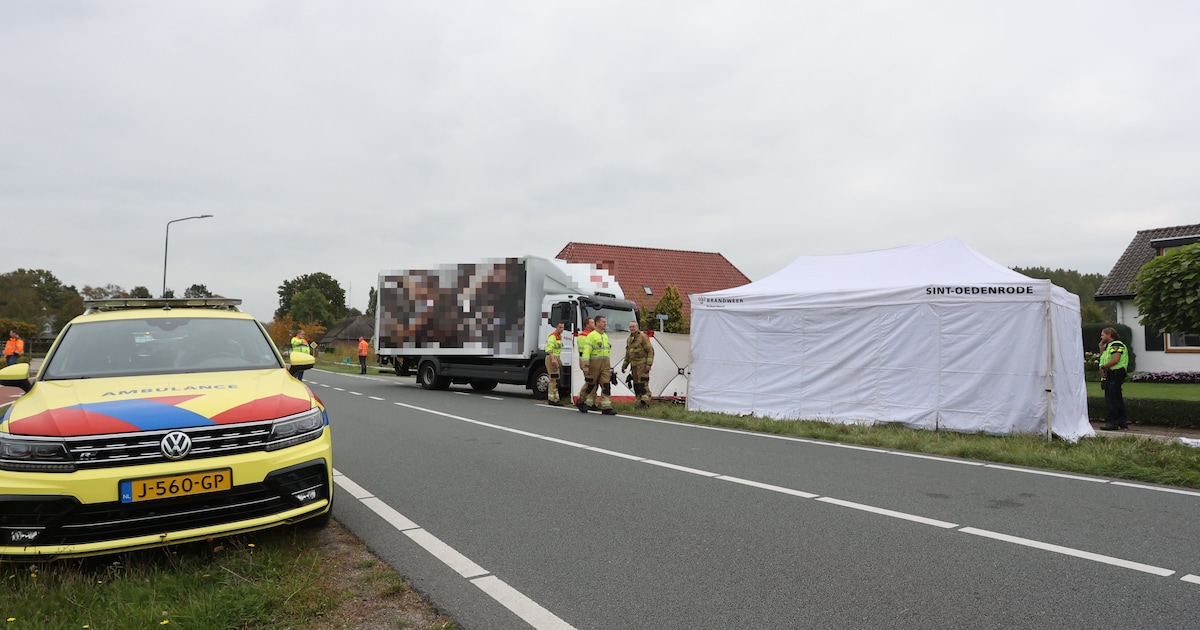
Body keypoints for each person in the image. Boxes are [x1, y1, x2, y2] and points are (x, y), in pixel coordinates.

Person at [577, 316, 616, 415]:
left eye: (605, 322)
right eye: (603, 322)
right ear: (597, 323)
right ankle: (580, 401)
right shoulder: (591, 336)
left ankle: (606, 407)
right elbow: (586, 351)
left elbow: (607, 352)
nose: (605, 324)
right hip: (594, 365)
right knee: (590, 385)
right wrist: (586, 365)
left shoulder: (605, 336)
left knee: (606, 385)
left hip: (605, 365)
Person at [1098, 327, 1129, 430]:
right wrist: (1101, 347)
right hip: (1113, 374)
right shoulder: (1109, 346)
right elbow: (1104, 358)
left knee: (1111, 399)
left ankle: (1113, 422)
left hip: (1115, 373)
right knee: (1117, 398)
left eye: (1103, 334)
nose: (1101, 336)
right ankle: (1122, 422)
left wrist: (1103, 367)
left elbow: (1116, 359)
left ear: (1109, 334)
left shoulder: (1116, 345)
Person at [621, 320, 654, 408]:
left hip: (642, 365)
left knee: (643, 384)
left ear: (637, 327)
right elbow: (628, 354)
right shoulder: (629, 339)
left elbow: (650, 351)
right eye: (630, 327)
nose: (631, 328)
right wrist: (624, 366)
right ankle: (639, 401)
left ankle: (645, 403)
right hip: (634, 366)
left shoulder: (643, 337)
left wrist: (649, 364)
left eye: (633, 327)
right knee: (636, 385)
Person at [575, 317, 596, 408]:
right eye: (592, 323)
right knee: (589, 382)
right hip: (586, 360)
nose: (594, 324)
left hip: (592, 360)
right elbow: (585, 351)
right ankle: (583, 400)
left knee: (593, 382)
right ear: (587, 325)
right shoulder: (584, 335)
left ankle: (591, 402)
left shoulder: (592, 334)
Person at [545, 322, 565, 406]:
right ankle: (553, 399)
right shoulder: (553, 336)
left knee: (555, 379)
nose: (561, 329)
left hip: (556, 358)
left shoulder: (559, 337)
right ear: (556, 327)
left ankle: (554, 398)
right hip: (552, 358)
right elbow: (549, 348)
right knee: (553, 379)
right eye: (560, 327)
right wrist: (553, 359)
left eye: (563, 327)